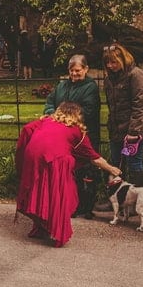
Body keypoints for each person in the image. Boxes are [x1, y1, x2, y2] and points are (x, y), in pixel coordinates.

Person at [15, 102, 120, 247]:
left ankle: (41, 226)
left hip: (33, 155)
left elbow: (27, 129)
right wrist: (112, 169)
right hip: (55, 159)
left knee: (41, 191)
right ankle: (58, 233)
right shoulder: (76, 131)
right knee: (61, 194)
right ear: (77, 116)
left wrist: (26, 153)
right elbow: (94, 157)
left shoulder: (45, 121)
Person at [43, 54, 101, 217]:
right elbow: (50, 102)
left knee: (87, 169)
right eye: (71, 70)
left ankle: (87, 206)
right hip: (64, 137)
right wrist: (52, 113)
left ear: (86, 69)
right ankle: (71, 204)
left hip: (84, 134)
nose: (74, 74)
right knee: (70, 170)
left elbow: (88, 110)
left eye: (78, 70)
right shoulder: (62, 86)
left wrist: (64, 119)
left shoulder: (90, 87)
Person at [102, 43, 143, 186]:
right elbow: (112, 106)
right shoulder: (109, 79)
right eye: (107, 63)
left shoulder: (136, 75)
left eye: (113, 62)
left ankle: (136, 195)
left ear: (123, 59)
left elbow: (140, 105)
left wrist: (133, 132)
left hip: (133, 130)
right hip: (116, 129)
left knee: (133, 163)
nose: (110, 66)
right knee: (116, 163)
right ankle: (118, 195)